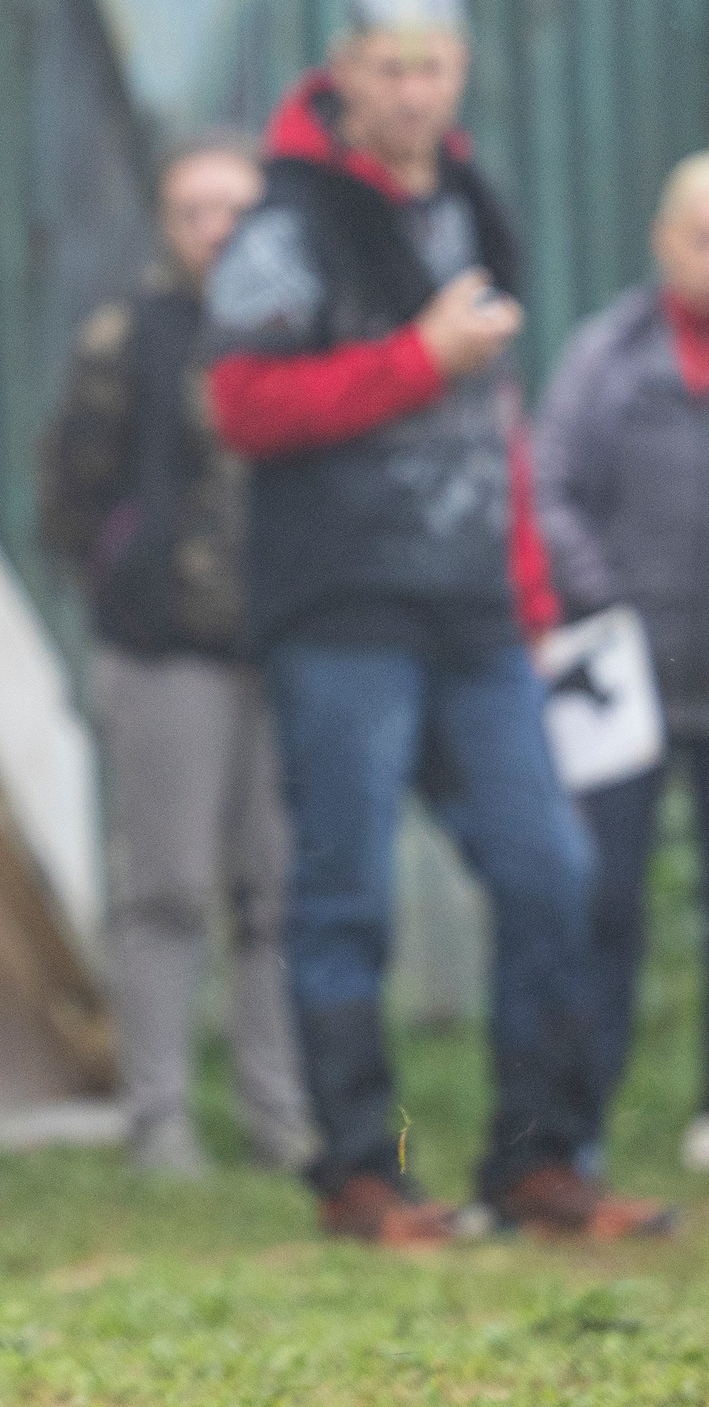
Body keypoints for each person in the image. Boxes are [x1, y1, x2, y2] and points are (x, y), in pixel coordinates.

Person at [203, 0, 670, 1243]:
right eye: (390, 67)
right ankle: (361, 1174)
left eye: (433, 66)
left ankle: (535, 1164)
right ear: (345, 72)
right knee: (347, 895)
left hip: (476, 617)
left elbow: (497, 425)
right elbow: (242, 403)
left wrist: (528, 603)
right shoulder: (285, 221)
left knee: (553, 872)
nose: (414, 91)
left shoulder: (471, 199)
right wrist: (414, 356)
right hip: (340, 615)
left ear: (459, 71)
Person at [41, 135, 314, 1178]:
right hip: (165, 657)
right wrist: (130, 581)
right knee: (165, 891)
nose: (216, 229)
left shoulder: (300, 333)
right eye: (193, 210)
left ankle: (279, 1116)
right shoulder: (127, 338)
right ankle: (157, 1121)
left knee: (278, 893)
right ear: (167, 225)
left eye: (235, 209)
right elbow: (70, 493)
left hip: (286, 650)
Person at [536, 153, 709, 1165]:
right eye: (697, 233)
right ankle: (575, 1125)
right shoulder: (608, 355)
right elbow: (549, 487)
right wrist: (606, 599)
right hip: (622, 679)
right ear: (660, 239)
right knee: (599, 897)